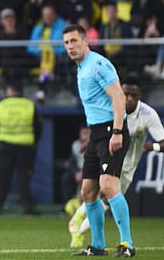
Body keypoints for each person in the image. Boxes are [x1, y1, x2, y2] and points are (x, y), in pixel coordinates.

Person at [62, 24, 135, 258]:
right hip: (96, 133)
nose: (70, 46)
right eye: (66, 43)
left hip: (111, 131)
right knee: (87, 191)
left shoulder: (97, 64)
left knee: (108, 185)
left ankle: (127, 244)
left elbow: (118, 96)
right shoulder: (82, 67)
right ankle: (98, 245)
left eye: (74, 41)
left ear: (85, 41)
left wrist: (116, 131)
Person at [69, 74, 164, 248]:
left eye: (133, 95)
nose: (128, 99)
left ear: (140, 95)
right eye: (125, 93)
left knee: (105, 200)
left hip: (128, 167)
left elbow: (163, 142)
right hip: (110, 157)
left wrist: (155, 147)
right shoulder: (113, 108)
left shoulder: (148, 114)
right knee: (101, 193)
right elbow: (100, 130)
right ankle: (119, 240)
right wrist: (90, 145)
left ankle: (78, 224)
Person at [0, 80, 42, 215]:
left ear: (9, 91)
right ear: (20, 91)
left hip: (5, 146)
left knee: (4, 178)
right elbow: (38, 128)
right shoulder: (30, 106)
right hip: (25, 146)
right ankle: (26, 206)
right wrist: (33, 142)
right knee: (24, 178)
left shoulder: (0, 106)